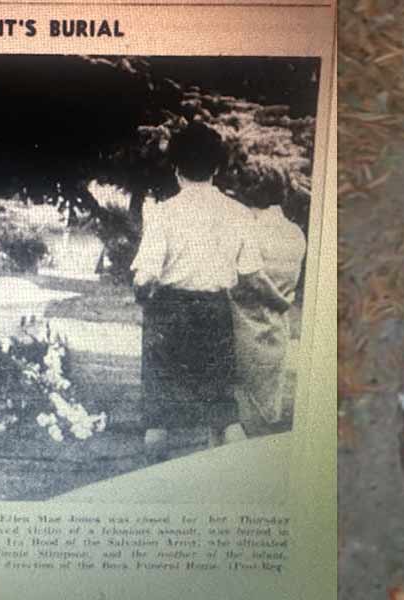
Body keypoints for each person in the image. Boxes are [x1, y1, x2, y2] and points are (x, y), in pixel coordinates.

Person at [131, 123, 268, 457]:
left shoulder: (162, 213)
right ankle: (246, 483)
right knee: (223, 411)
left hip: (168, 314)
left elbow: (145, 276)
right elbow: (251, 273)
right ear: (217, 168)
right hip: (215, 313)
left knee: (159, 416)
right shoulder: (238, 213)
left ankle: (153, 493)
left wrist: (140, 296)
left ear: (176, 169)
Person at [227, 173, 307, 439]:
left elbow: (244, 281)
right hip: (277, 328)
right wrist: (283, 302)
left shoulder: (248, 231)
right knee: (267, 410)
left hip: (243, 328)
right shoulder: (296, 234)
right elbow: (291, 281)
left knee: (236, 416)